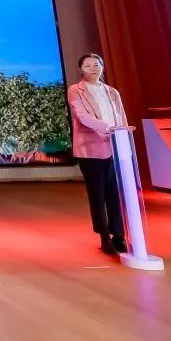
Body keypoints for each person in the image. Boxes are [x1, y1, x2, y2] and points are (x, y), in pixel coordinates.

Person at [67, 53, 129, 255]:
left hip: (114, 146)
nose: (93, 68)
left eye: (96, 65)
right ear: (81, 69)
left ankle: (119, 235)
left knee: (115, 193)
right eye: (88, 65)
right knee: (98, 193)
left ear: (102, 67)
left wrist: (122, 135)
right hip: (90, 149)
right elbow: (82, 116)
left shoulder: (112, 92)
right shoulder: (75, 90)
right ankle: (104, 236)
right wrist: (107, 128)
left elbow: (121, 117)